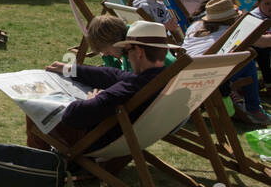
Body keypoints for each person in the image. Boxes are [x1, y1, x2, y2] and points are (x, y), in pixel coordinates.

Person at [33, 21, 181, 153]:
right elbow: (112, 74)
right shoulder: (162, 78)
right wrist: (71, 69)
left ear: (140, 52)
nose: (126, 57)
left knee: (37, 111)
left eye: (127, 51)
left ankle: (38, 166)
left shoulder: (128, 89)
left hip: (103, 140)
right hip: (137, 137)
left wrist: (91, 100)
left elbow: (72, 116)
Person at [183, 0, 268, 127]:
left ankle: (239, 97)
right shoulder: (232, 31)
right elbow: (263, 43)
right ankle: (253, 108)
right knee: (248, 59)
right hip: (208, 76)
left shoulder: (196, 26)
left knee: (245, 56)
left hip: (185, 73)